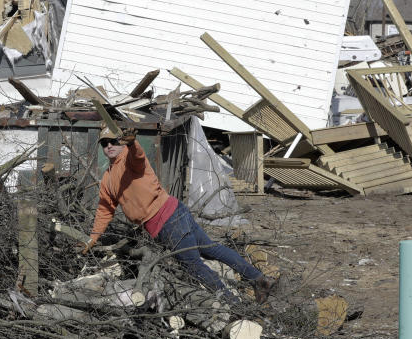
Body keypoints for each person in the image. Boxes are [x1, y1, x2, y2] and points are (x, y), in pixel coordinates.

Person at [83, 128, 275, 303]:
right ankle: (258, 279)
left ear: (121, 142)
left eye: (113, 141)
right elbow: (105, 209)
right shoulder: (108, 178)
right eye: (104, 143)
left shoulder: (129, 160)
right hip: (175, 213)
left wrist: (133, 143)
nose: (109, 146)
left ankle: (233, 304)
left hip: (168, 221)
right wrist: (92, 238)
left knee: (193, 265)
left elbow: (138, 157)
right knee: (211, 249)